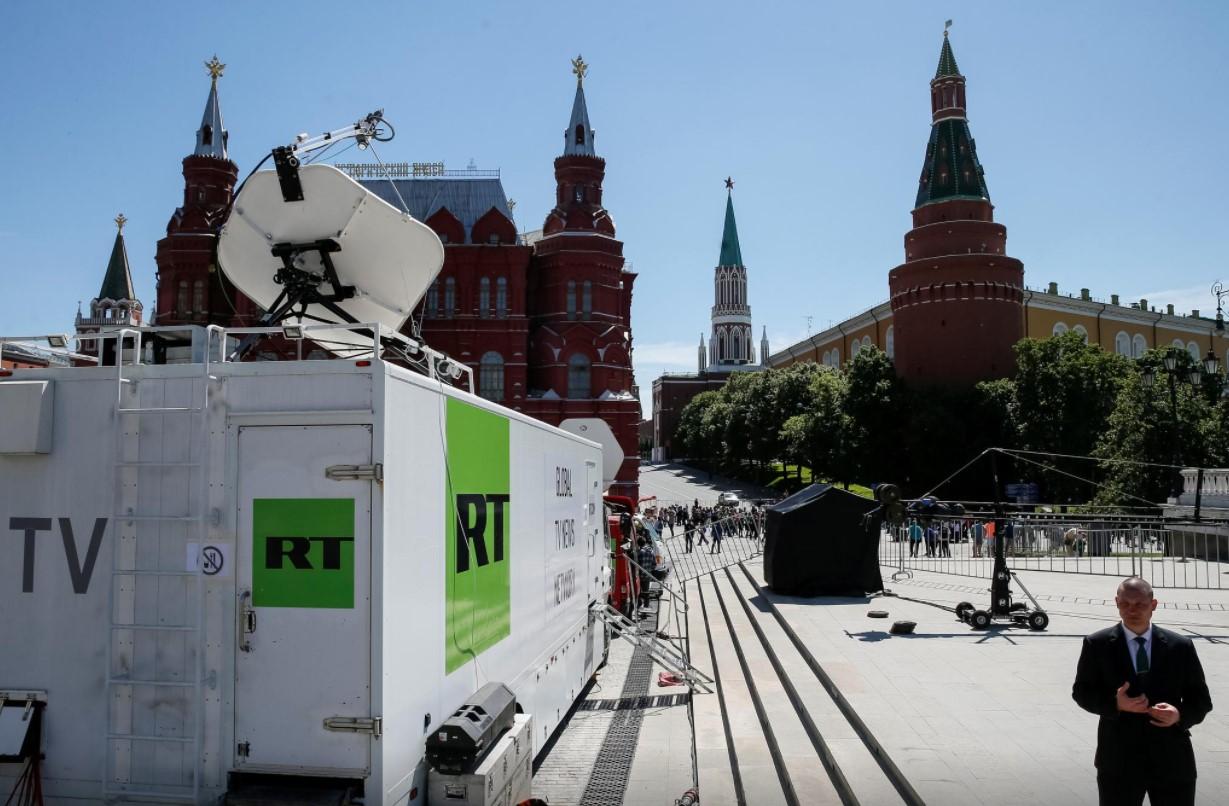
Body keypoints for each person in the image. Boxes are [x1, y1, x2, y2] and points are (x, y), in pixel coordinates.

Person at [1072, 577, 1212, 806]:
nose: (1132, 610)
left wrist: (1179, 715)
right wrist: (1115, 704)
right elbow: (1081, 692)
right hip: (1119, 759)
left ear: (1154, 605)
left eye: (1140, 604)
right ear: (1116, 603)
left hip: (1172, 759)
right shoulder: (1097, 644)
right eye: (1125, 604)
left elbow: (1201, 700)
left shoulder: (1180, 647)